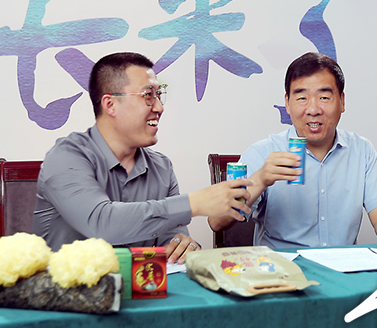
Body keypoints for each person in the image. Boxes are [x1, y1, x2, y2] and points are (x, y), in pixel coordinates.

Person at [33, 52, 251, 263]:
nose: (159, 107)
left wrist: (180, 245)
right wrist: (195, 203)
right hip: (69, 287)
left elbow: (171, 237)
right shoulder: (65, 157)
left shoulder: (162, 167)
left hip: (143, 285)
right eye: (148, 95)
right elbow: (101, 223)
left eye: (159, 95)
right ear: (110, 104)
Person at [208, 52, 377, 249]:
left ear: (342, 101)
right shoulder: (262, 153)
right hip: (282, 272)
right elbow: (216, 222)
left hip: (341, 271)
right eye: (302, 98)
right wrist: (261, 179)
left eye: (324, 97)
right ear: (287, 103)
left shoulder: (362, 150)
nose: (313, 110)